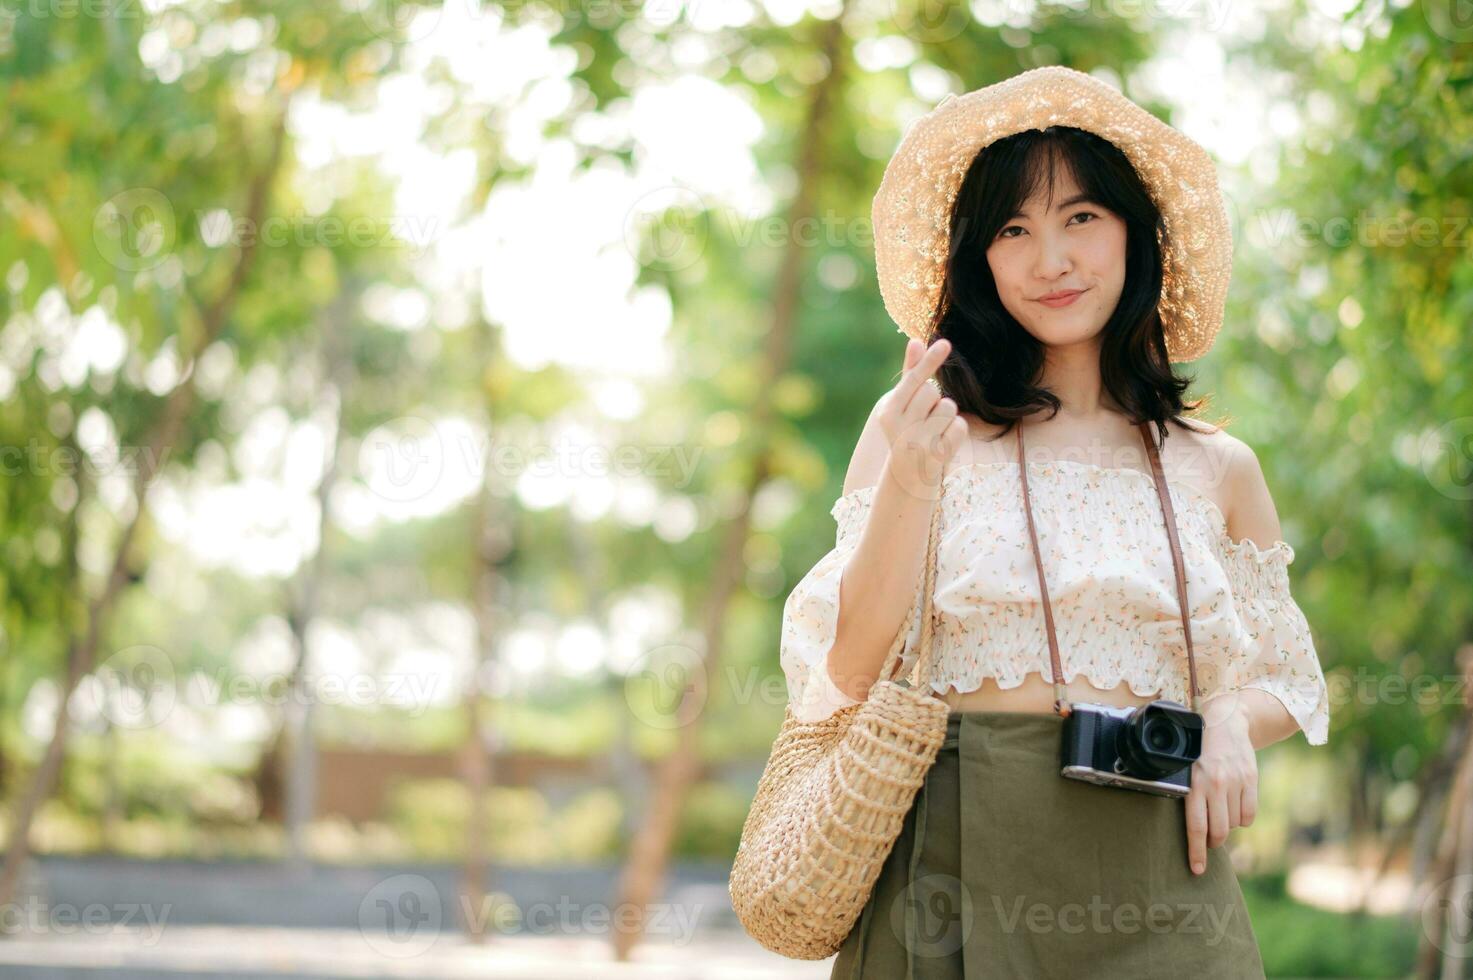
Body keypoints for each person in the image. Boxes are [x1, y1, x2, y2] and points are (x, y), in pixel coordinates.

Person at [778, 66, 1331, 978]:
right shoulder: (916, 423)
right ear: (980, 260)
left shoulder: (1215, 465)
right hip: (948, 866)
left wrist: (1226, 716)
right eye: (1012, 229)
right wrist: (913, 483)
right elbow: (846, 663)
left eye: (1081, 218)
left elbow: (1293, 679)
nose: (1050, 260)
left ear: (1133, 235)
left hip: (1159, 874)